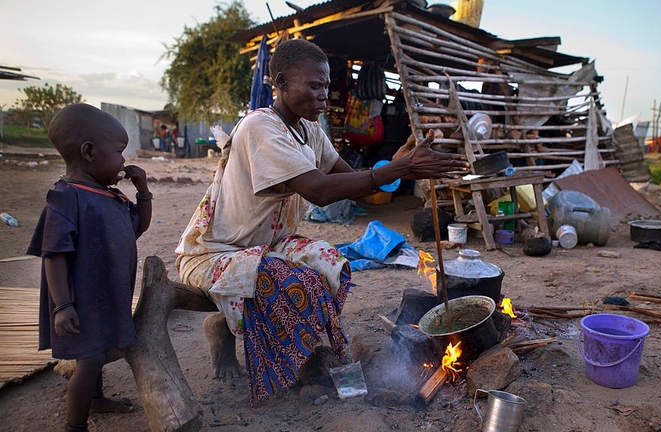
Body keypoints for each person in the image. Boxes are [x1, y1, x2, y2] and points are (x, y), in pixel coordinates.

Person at [174, 38, 468, 405]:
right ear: (280, 82)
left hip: (267, 246)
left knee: (330, 265)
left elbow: (352, 183)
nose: (323, 95)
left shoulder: (310, 131)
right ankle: (276, 360)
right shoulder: (259, 127)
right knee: (286, 282)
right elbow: (320, 190)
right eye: (314, 85)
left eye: (326, 86)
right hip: (217, 250)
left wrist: (396, 163)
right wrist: (400, 168)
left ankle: (290, 351)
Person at [27, 103, 153, 432]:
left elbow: (138, 227)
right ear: (89, 152)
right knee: (90, 359)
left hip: (105, 291)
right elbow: (53, 254)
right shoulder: (66, 197)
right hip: (81, 297)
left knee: (96, 352)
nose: (124, 161)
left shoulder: (107, 195)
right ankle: (75, 425)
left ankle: (97, 400)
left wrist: (143, 192)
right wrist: (63, 305)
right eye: (119, 152)